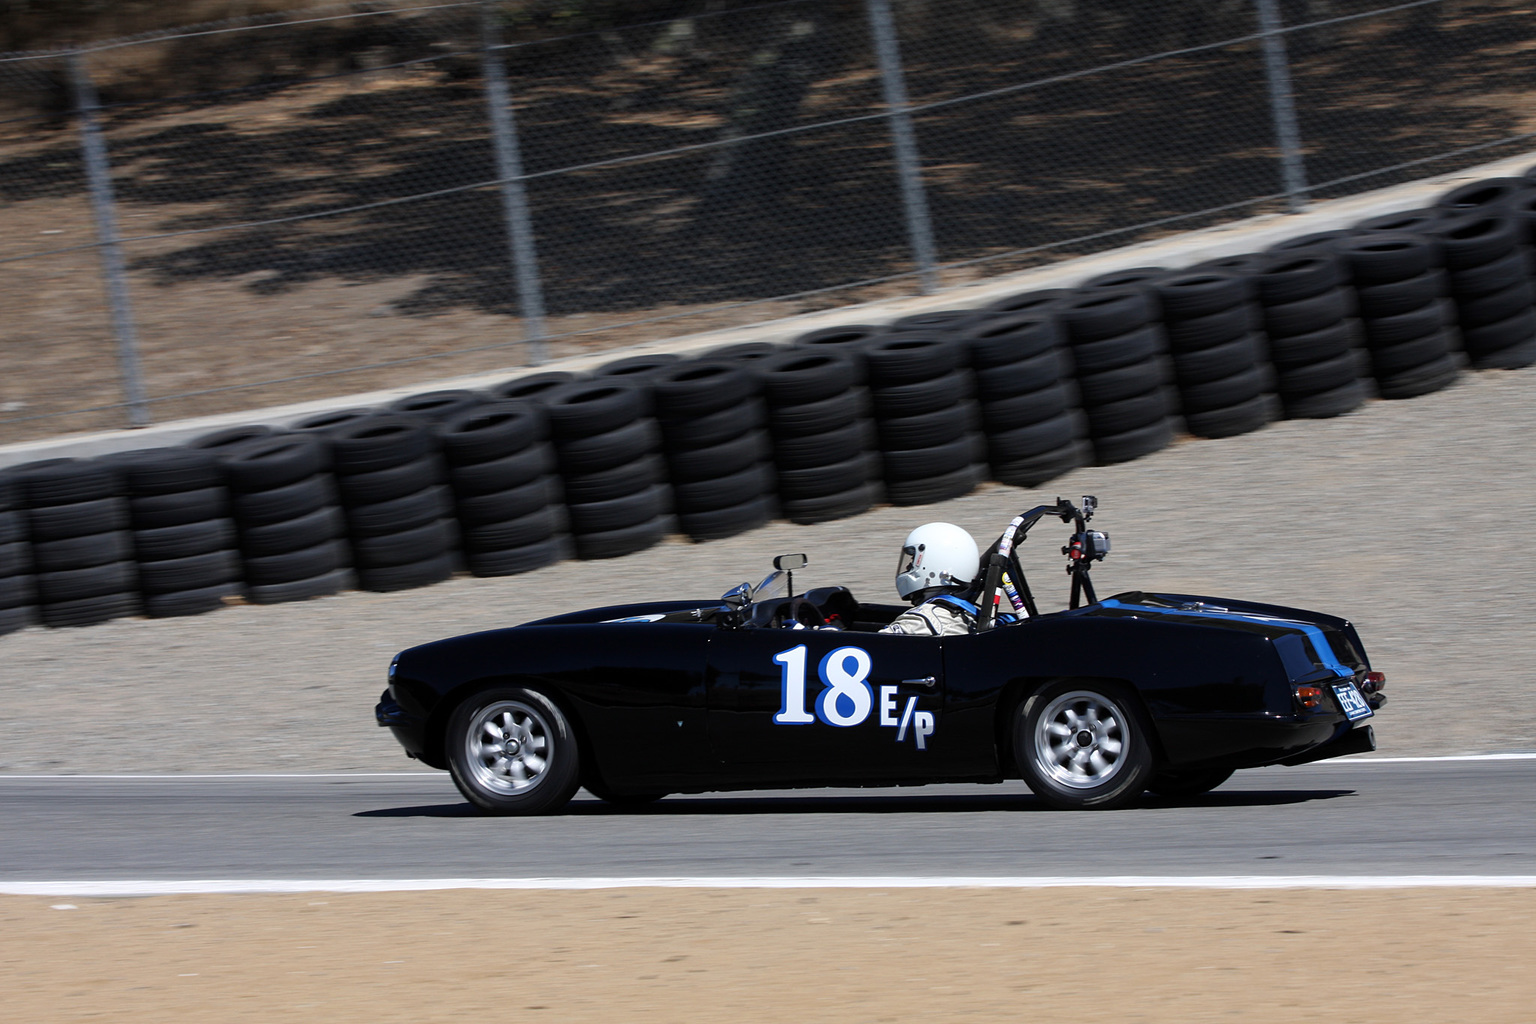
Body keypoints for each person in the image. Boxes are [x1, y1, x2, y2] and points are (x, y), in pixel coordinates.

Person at [879, 522, 982, 636]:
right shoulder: (970, 615)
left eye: (913, 560)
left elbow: (876, 645)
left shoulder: (920, 622)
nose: (908, 567)